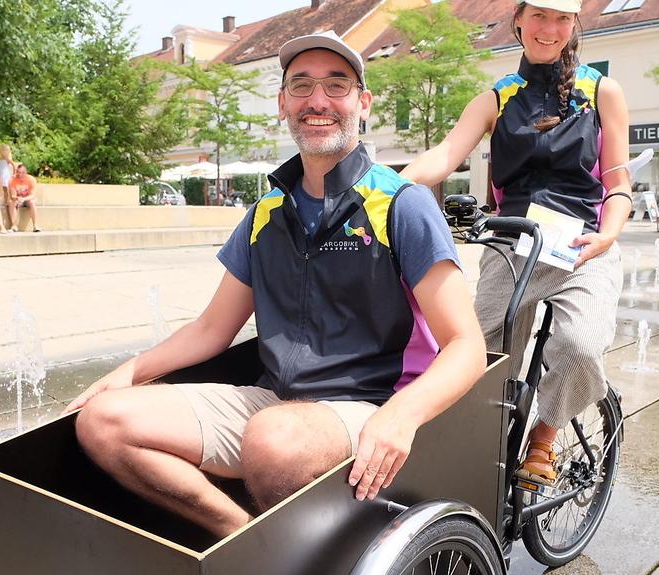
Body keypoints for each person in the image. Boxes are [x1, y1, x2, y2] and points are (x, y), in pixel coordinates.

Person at [68, 32, 486, 538]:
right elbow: (210, 330)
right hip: (275, 405)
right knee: (102, 421)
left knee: (271, 441)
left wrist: (401, 416)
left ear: (363, 102)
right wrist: (128, 372)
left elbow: (467, 346)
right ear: (283, 104)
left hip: (369, 405)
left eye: (337, 85)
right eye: (302, 86)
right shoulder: (265, 214)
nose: (317, 101)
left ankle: (280, 555)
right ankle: (240, 534)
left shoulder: (402, 204)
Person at [400, 0, 631, 485]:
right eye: (540, 17)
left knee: (580, 347)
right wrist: (385, 186)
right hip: (513, 245)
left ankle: (545, 436)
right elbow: (445, 153)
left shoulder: (601, 91)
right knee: (474, 360)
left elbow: (617, 179)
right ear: (519, 20)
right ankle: (475, 455)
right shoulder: (497, 98)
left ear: (573, 25)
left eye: (562, 19)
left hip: (582, 246)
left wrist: (610, 232)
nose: (549, 29)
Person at [7, 163, 40, 232]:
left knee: (32, 202)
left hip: (28, 199)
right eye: (18, 172)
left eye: (23, 172)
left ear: (26, 172)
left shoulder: (31, 179)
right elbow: (13, 195)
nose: (20, 174)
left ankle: (35, 225)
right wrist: (17, 199)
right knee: (11, 202)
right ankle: (14, 226)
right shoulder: (12, 180)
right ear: (16, 172)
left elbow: (33, 195)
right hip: (18, 199)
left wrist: (24, 199)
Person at [0, 144, 17, 233]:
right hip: (1, 175)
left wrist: (14, 174)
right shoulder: (0, 160)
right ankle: (5, 200)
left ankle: (7, 200)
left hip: (5, 176)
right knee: (2, 190)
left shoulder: (7, 159)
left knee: (6, 190)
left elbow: (13, 165)